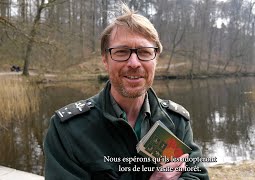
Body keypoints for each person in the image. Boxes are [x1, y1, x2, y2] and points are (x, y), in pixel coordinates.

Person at [44, 3, 209, 180]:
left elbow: (196, 176)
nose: (134, 63)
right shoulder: (68, 130)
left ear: (156, 60)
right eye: (122, 52)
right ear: (105, 60)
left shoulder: (176, 122)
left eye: (144, 52)